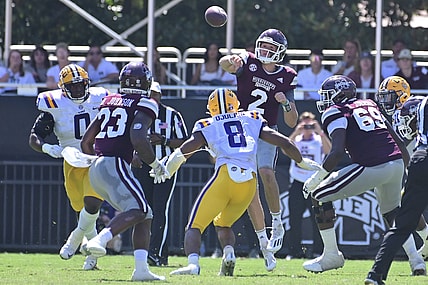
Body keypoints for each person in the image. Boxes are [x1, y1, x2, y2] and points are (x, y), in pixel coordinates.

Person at [151, 88, 319, 276]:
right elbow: (284, 142)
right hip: (248, 181)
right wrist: (302, 162)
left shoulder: (207, 123)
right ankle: (229, 254)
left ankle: (193, 264)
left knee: (194, 226)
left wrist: (167, 169)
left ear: (210, 109)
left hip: (225, 176)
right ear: (236, 105)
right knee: (223, 223)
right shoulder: (252, 118)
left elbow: (185, 150)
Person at [301, 75, 424, 275]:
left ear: (338, 95)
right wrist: (408, 169)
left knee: (319, 195)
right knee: (393, 212)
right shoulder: (369, 104)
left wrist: (316, 179)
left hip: (374, 165)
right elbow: (399, 143)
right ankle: (416, 261)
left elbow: (337, 151)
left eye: (327, 95)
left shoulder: (336, 111)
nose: (324, 100)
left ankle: (331, 254)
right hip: (396, 164)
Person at [219, 28, 299, 271]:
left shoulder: (286, 75)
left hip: (265, 128)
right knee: (250, 187)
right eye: (262, 46)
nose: (264, 51)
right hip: (241, 130)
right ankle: (264, 242)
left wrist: (285, 103)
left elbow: (292, 121)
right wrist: (229, 60)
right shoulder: (249, 61)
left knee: (266, 172)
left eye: (270, 47)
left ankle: (277, 221)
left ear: (279, 52)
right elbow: (225, 65)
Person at [80, 62, 167, 281]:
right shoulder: (147, 102)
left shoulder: (109, 100)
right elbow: (138, 137)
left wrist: (112, 158)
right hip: (114, 164)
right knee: (139, 209)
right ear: (146, 82)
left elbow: (86, 142)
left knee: (145, 214)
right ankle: (100, 240)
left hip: (97, 166)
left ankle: (141, 270)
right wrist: (155, 164)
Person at [28, 64, 110, 270]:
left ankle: (73, 241)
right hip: (72, 160)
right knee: (81, 208)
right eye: (72, 87)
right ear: (64, 88)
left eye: (81, 85)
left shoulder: (100, 98)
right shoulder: (53, 104)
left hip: (96, 157)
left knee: (93, 205)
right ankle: (92, 258)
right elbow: (34, 136)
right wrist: (47, 148)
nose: (78, 90)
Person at [365, 96, 428, 285]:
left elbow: (408, 130)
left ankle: (375, 274)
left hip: (420, 157)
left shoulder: (423, 103)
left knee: (401, 225)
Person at [131, 81, 188, 266]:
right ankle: (143, 253)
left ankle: (158, 253)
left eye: (155, 94)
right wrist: (133, 155)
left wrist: (164, 140)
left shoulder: (172, 114)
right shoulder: (137, 112)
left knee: (160, 209)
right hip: (142, 165)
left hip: (165, 166)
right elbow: (127, 138)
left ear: (160, 96)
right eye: (149, 95)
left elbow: (184, 141)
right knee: (142, 210)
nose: (152, 98)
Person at [375, 75, 428, 259]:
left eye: (388, 96)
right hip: (414, 161)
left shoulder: (412, 106)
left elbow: (402, 142)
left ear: (401, 95)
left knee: (401, 206)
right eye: (382, 96)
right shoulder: (399, 113)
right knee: (405, 205)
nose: (384, 101)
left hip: (417, 161)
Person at [286, 111, 331, 259]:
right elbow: (284, 148)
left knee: (318, 218)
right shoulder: (296, 140)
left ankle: (319, 250)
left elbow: (329, 151)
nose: (307, 128)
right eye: (304, 124)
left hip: (315, 183)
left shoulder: (319, 139)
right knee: (294, 219)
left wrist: (320, 131)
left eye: (310, 124)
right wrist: (296, 131)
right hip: (298, 182)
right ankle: (294, 251)